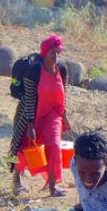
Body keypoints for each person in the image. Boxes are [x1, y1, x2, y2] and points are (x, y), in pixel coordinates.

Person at [9, 34, 72, 197]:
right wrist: (30, 125)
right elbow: (29, 98)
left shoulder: (62, 69)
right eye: (53, 52)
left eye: (58, 52)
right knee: (23, 149)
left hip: (53, 115)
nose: (56, 56)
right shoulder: (34, 72)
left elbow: (64, 94)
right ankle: (17, 179)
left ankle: (53, 186)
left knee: (54, 146)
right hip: (32, 115)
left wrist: (64, 116)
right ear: (45, 53)